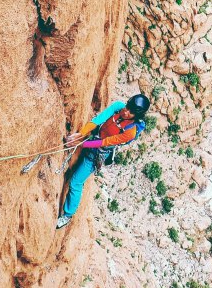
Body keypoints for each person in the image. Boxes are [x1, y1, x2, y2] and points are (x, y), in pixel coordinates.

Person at [56, 94, 150, 229]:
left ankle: (67, 215)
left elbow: (106, 142)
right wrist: (81, 133)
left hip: (97, 153)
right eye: (127, 107)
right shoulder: (118, 106)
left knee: (76, 182)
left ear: (137, 116)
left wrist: (82, 144)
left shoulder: (130, 132)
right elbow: (99, 119)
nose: (126, 112)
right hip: (94, 136)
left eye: (131, 112)